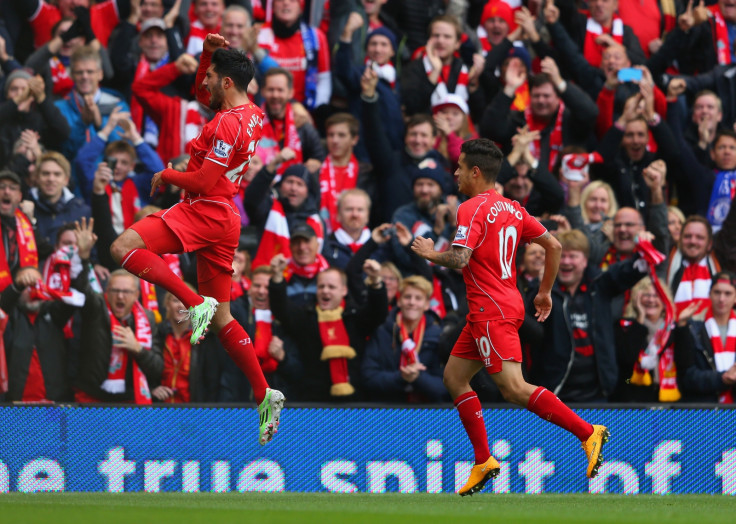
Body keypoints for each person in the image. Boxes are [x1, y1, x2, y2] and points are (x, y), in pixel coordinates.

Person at [108, 34, 284, 445]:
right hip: (225, 219)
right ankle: (264, 393)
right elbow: (202, 92)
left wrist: (166, 174)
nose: (202, 82)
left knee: (122, 248)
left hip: (204, 210)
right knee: (222, 320)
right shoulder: (251, 113)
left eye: (210, 76)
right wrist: (208, 52)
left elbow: (205, 179)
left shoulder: (226, 122)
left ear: (225, 82)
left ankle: (192, 301)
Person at [411, 138, 609, 496]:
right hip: (499, 305)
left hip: (491, 310)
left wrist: (429, 252)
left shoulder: (469, 209)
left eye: (458, 166)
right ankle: (483, 459)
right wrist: (545, 291)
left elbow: (458, 259)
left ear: (475, 171)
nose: (454, 172)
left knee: (515, 388)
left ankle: (587, 432)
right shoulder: (513, 209)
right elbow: (555, 245)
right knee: (455, 378)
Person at [674, 271, 736, 402]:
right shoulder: (692, 327)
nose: (721, 299)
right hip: (705, 413)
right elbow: (686, 377)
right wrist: (722, 378)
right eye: (717, 292)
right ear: (709, 294)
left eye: (728, 293)